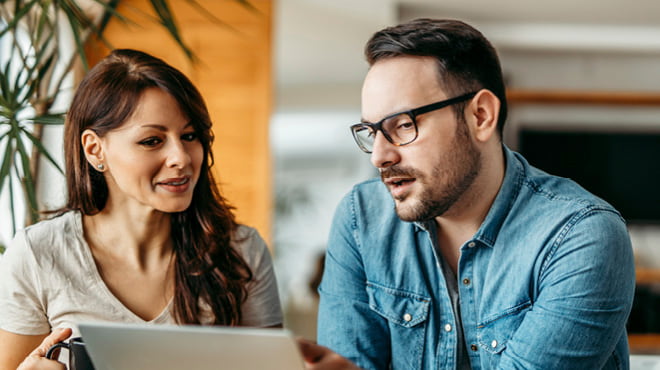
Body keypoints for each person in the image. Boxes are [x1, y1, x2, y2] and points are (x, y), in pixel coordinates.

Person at [313, 18, 636, 369]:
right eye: (371, 131)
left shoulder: (581, 236)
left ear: (480, 116)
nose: (379, 156)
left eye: (403, 125)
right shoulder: (361, 219)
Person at [0, 49, 282, 369]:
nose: (182, 158)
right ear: (95, 150)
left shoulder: (241, 250)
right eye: (152, 141)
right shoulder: (37, 254)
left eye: (189, 136)